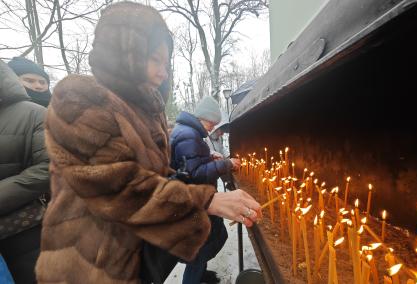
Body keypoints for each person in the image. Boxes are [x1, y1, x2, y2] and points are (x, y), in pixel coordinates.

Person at [35, 3, 260, 284]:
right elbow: (118, 188)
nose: (163, 72)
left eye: (166, 63)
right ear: (124, 55)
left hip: (129, 254)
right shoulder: (81, 101)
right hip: (89, 262)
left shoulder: (142, 110)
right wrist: (207, 199)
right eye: (155, 59)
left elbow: (151, 175)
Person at [170, 97, 241, 284]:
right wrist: (226, 164)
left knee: (207, 243)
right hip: (193, 203)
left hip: (196, 200)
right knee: (199, 251)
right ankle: (193, 279)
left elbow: (188, 162)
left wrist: (210, 156)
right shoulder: (189, 134)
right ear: (202, 117)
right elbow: (194, 174)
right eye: (211, 123)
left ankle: (200, 275)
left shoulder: (188, 132)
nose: (212, 128)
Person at [0, 59, 50, 283]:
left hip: (27, 227)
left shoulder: (35, 113)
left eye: (42, 81)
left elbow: (49, 167)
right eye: (30, 80)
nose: (38, 86)